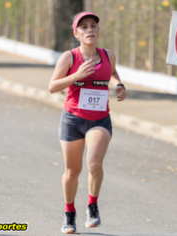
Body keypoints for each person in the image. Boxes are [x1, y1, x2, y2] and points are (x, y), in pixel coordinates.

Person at [48, 12, 127, 234]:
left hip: (100, 119)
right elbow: (52, 86)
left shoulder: (108, 55)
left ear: (98, 30)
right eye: (84, 27)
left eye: (93, 26)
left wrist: (119, 84)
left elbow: (111, 73)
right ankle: (69, 213)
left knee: (94, 163)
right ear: (76, 34)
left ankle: (92, 206)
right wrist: (76, 75)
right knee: (73, 171)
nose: (90, 30)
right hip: (73, 119)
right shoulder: (69, 57)